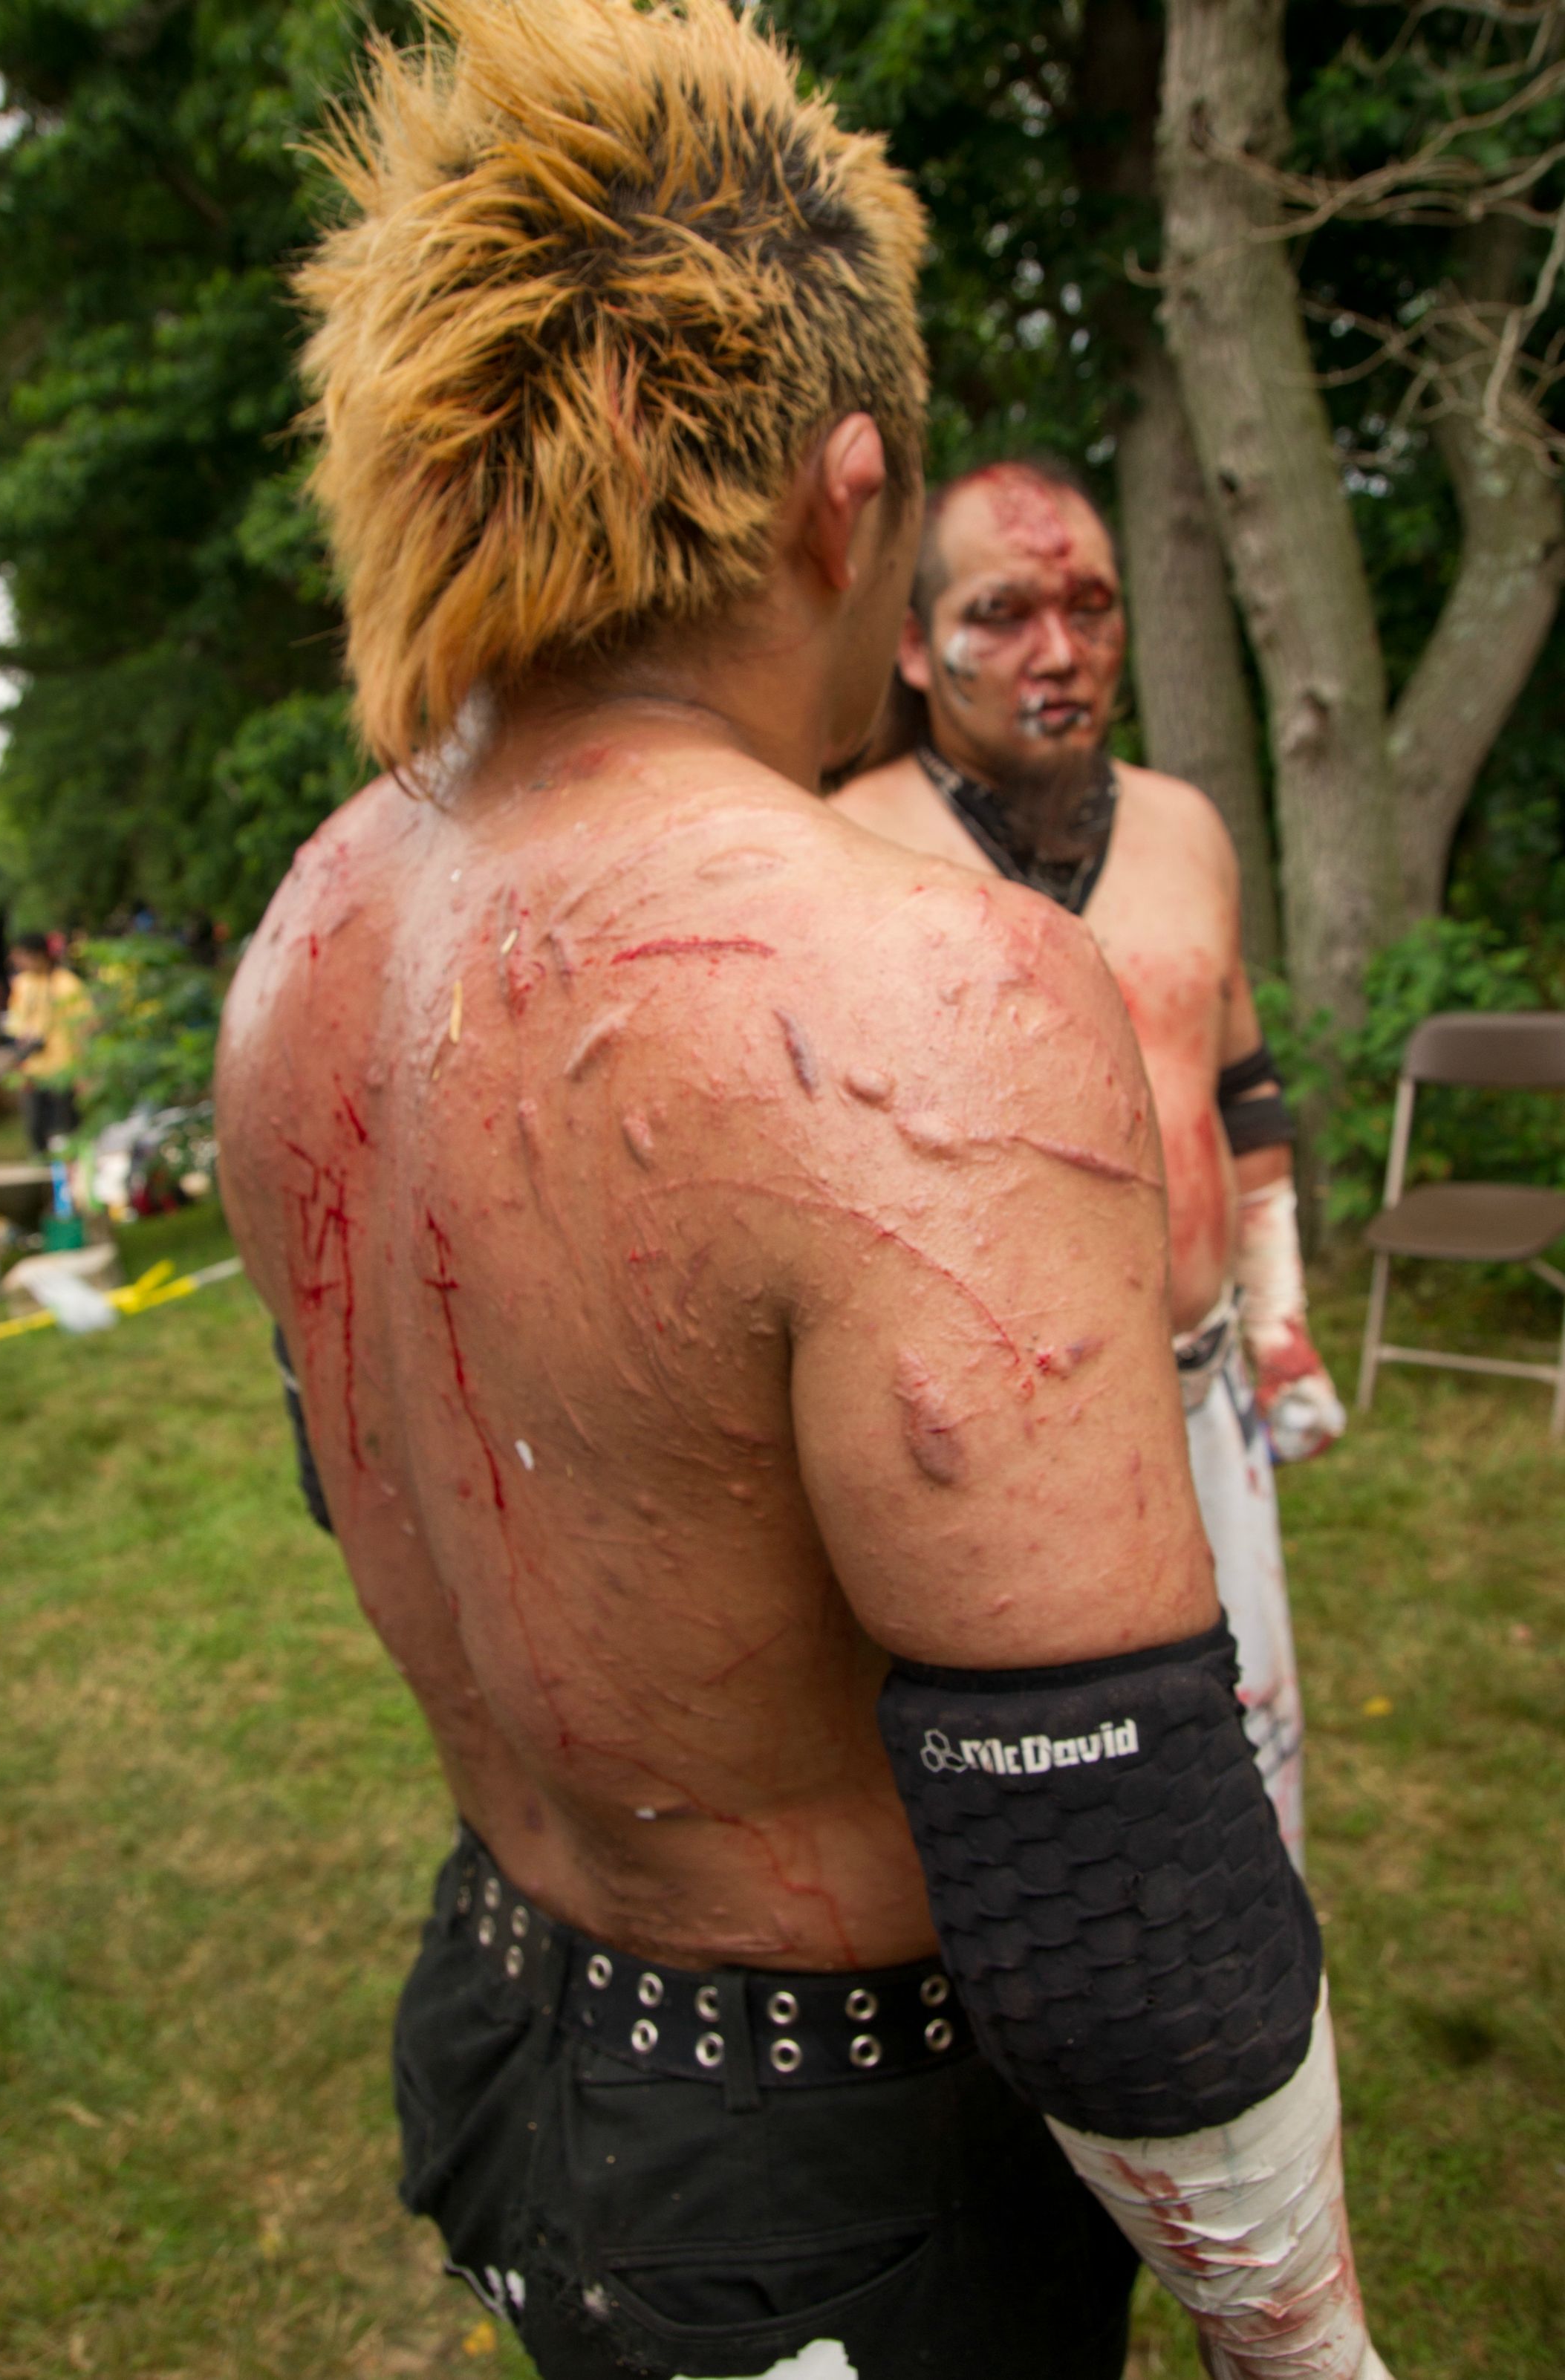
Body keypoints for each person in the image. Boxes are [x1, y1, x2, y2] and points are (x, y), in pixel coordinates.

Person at [218, 6, 1392, 2376]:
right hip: (839, 2186)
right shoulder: (917, 984)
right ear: (845, 495)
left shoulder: (307, 941)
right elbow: (1123, 1915)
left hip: (508, 2028)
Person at [834, 459, 1347, 1869]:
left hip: (1202, 1403)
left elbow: (1241, 1090)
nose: (1059, 652)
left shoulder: (1183, 826)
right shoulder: (837, 851)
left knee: (1230, 1819)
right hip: (981, 1464)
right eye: (1000, 613)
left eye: (1092, 606)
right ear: (908, 639)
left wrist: (1282, 1317)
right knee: (1048, 1861)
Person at [2, 930, 89, 1154]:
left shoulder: (67, 983)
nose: (19, 962)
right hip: (33, 1067)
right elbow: (15, 1021)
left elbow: (85, 1025)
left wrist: (84, 1069)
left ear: (40, 955)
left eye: (23, 956)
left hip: (63, 1067)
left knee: (68, 1128)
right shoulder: (22, 984)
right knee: (35, 1128)